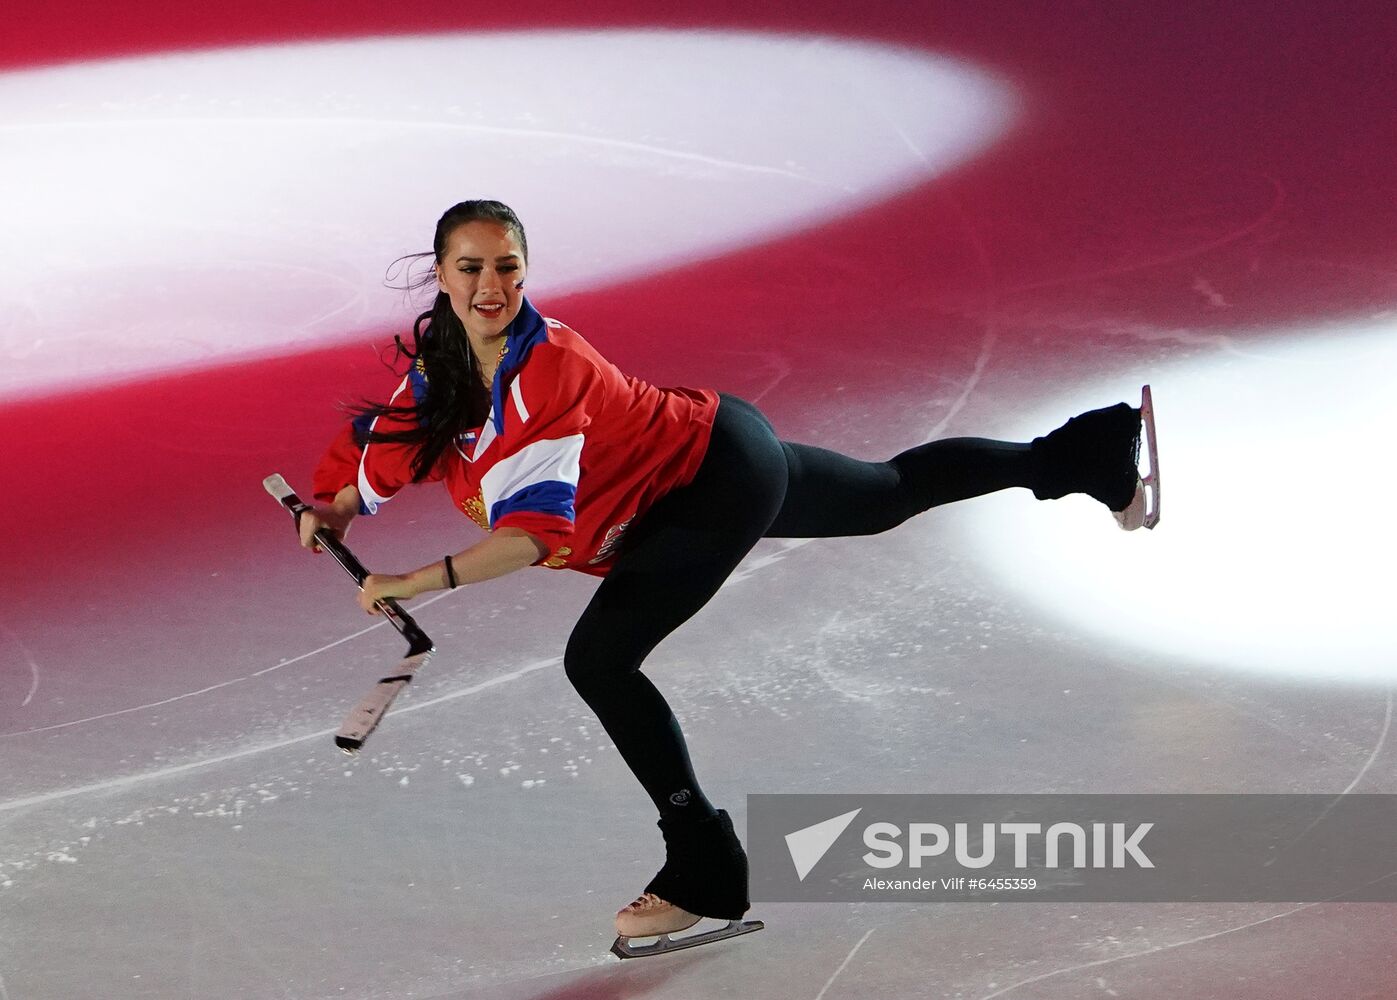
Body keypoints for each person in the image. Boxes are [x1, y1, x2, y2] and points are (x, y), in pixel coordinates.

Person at [299, 199, 1156, 951]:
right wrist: (336, 506)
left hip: (707, 486)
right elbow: (396, 440)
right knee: (886, 493)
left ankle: (704, 862)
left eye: (508, 268)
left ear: (527, 272)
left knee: (599, 662)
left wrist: (417, 581)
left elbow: (529, 537)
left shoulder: (546, 375)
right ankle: (1088, 450)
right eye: (472, 268)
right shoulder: (448, 354)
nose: (492, 285)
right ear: (441, 277)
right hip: (714, 448)